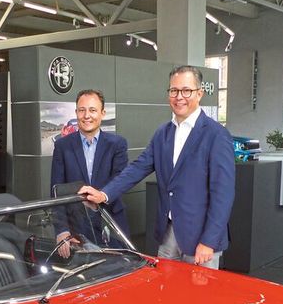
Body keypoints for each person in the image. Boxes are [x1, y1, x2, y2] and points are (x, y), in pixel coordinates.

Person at [79, 65, 235, 269]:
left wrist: (209, 241)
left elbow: (223, 194)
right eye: (173, 90)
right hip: (169, 233)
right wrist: (104, 194)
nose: (179, 96)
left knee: (198, 298)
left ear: (199, 93)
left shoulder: (216, 135)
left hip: (202, 239)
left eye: (186, 90)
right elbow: (137, 168)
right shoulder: (163, 133)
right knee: (166, 294)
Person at [51, 89, 129, 257]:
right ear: (76, 113)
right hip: (77, 229)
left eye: (93, 110)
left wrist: (99, 196)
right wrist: (61, 230)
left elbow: (120, 180)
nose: (87, 115)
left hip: (112, 223)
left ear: (102, 113)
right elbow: (56, 191)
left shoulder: (117, 144)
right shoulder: (62, 146)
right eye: (82, 110)